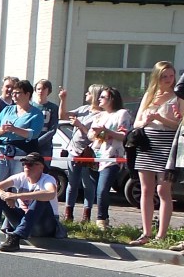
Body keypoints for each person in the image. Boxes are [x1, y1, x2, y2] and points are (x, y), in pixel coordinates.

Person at [130, 61, 180, 245]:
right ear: (157, 77)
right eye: (164, 76)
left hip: (167, 143)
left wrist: (159, 117)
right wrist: (145, 121)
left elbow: (179, 125)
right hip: (147, 143)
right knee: (146, 189)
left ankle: (161, 234)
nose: (168, 79)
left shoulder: (177, 97)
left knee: (163, 189)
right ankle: (146, 232)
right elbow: (136, 123)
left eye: (171, 76)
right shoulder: (149, 95)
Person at [0, 79, 43, 247]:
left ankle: (13, 227)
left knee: (18, 190)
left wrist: (14, 130)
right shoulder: (7, 110)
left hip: (21, 155)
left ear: (27, 94)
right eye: (13, 92)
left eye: (18, 92)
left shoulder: (36, 113)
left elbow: (33, 134)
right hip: (2, 153)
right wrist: (2, 130)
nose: (14, 95)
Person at [0, 153, 61, 251]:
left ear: (41, 166)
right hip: (23, 219)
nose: (26, 167)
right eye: (24, 164)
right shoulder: (20, 177)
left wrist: (16, 196)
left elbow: (51, 193)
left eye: (30, 164)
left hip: (44, 225)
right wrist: (5, 196)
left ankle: (16, 237)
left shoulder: (48, 179)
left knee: (41, 199)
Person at [86, 87, 130, 232]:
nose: (99, 99)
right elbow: (90, 136)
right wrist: (97, 133)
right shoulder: (99, 115)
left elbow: (124, 135)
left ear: (111, 99)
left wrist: (107, 131)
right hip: (96, 156)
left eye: (103, 97)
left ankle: (101, 220)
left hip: (112, 156)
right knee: (95, 190)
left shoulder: (122, 114)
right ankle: (98, 218)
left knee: (103, 189)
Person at [57, 84, 102, 223]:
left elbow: (94, 136)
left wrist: (80, 126)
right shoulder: (83, 109)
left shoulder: (101, 115)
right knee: (72, 183)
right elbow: (62, 116)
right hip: (74, 151)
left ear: (95, 95)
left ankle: (86, 215)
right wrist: (63, 99)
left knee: (88, 183)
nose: (86, 94)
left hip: (87, 152)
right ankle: (68, 214)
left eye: (89, 92)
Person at [33, 79, 58, 158]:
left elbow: (52, 129)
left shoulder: (53, 107)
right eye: (38, 89)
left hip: (45, 146)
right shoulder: (30, 106)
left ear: (48, 91)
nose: (41, 91)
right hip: (30, 144)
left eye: (43, 89)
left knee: (44, 165)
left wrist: (38, 142)